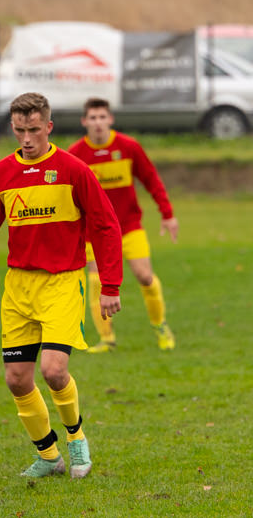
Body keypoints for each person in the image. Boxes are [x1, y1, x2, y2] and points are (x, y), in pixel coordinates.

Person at [0, 92, 123, 479]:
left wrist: (110, 285)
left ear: (49, 127)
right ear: (13, 126)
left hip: (62, 282)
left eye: (34, 130)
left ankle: (76, 441)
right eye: (20, 130)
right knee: (16, 378)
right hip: (19, 287)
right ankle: (48, 456)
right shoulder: (1, 174)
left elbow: (106, 226)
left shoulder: (73, 169)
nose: (27, 139)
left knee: (54, 370)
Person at [68, 98, 178, 353]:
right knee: (96, 281)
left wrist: (168, 214)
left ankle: (160, 326)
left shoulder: (128, 147)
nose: (97, 123)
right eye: (92, 118)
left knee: (145, 276)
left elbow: (151, 179)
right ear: (84, 122)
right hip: (93, 233)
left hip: (129, 227)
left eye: (102, 117)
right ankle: (107, 339)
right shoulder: (76, 155)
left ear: (110, 119)